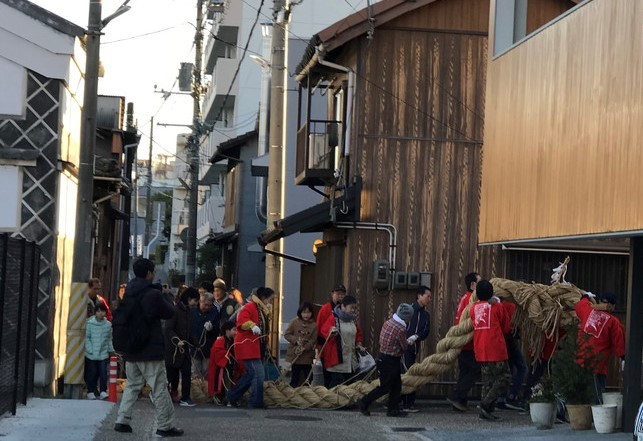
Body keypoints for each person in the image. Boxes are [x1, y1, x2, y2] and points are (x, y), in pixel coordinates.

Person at [114, 258, 183, 437]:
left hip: (131, 349)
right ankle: (165, 425)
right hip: (150, 350)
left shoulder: (128, 292)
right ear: (149, 273)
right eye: (153, 272)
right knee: (159, 387)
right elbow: (169, 312)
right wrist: (167, 295)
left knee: (133, 385)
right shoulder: (152, 295)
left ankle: (122, 420)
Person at [358, 303, 414, 418]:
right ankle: (364, 402)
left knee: (396, 385)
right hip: (391, 360)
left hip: (382, 357)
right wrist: (409, 342)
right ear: (407, 318)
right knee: (386, 387)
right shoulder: (401, 329)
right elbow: (404, 346)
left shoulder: (388, 322)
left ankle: (393, 409)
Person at [469, 280, 512, 421]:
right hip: (496, 348)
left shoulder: (473, 308)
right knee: (504, 378)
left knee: (487, 382)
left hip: (480, 349)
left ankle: (486, 412)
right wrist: (497, 302)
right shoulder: (497, 307)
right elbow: (506, 327)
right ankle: (485, 404)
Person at [227, 287, 275, 409]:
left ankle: (232, 397)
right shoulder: (250, 307)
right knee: (258, 374)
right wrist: (252, 326)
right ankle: (255, 401)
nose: (271, 302)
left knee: (251, 375)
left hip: (255, 346)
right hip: (248, 345)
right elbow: (242, 321)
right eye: (270, 299)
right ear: (263, 298)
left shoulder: (260, 309)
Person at [575, 291, 625, 403]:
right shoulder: (613, 322)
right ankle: (594, 419)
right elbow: (619, 344)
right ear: (612, 306)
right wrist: (623, 357)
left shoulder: (588, 311)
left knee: (578, 397)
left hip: (580, 362)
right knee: (596, 399)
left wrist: (585, 297)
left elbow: (579, 305)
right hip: (598, 366)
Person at [447, 272, 481, 412]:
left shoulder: (465, 298)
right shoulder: (471, 300)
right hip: (468, 343)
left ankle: (460, 401)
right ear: (473, 285)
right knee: (474, 371)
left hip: (462, 341)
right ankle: (456, 396)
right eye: (479, 282)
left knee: (464, 372)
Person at [319, 295, 365, 388]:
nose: (353, 310)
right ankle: (330, 401)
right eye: (351, 308)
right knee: (336, 383)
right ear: (343, 306)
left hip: (350, 358)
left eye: (354, 308)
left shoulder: (353, 319)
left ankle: (347, 402)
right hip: (337, 359)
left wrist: (359, 344)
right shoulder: (333, 318)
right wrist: (331, 332)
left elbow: (358, 333)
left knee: (350, 383)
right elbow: (324, 331)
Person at [163, 286, 198, 407]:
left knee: (186, 372)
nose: (195, 304)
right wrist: (176, 340)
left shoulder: (188, 311)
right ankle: (169, 394)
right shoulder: (175, 310)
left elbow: (188, 330)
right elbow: (168, 329)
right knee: (172, 374)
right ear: (189, 299)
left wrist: (195, 342)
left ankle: (186, 397)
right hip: (173, 349)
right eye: (195, 300)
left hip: (184, 348)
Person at [401, 285, 431, 412]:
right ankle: (401, 402)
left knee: (411, 374)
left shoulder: (426, 314)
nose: (429, 299)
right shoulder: (408, 309)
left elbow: (426, 331)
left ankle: (408, 403)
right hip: (402, 348)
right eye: (427, 296)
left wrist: (416, 337)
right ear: (419, 296)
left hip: (413, 348)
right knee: (403, 374)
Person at [316, 284, 347, 387]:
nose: (340, 296)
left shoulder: (346, 310)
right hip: (328, 348)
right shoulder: (325, 309)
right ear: (332, 294)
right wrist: (319, 350)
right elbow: (319, 330)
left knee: (340, 378)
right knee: (329, 378)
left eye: (343, 294)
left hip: (343, 349)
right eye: (338, 294)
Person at [85, 303, 114, 400]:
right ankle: (90, 390)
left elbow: (109, 338)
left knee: (103, 373)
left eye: (103, 311)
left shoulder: (108, 325)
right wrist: (89, 349)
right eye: (98, 311)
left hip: (103, 353)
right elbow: (87, 337)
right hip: (91, 354)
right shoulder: (89, 323)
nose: (101, 313)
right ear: (95, 312)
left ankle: (103, 391)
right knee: (92, 373)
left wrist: (111, 350)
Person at [284, 302, 318, 387]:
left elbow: (313, 340)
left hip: (307, 355)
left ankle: (305, 393)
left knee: (309, 377)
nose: (306, 315)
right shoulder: (294, 322)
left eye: (308, 312)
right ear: (300, 313)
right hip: (295, 354)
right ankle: (293, 395)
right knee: (295, 377)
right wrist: (296, 340)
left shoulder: (314, 325)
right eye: (304, 312)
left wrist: (305, 347)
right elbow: (287, 334)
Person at [208, 320, 241, 403]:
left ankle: (230, 397)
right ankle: (228, 398)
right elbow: (217, 352)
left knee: (230, 381)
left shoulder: (233, 340)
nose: (236, 332)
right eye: (234, 330)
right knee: (227, 382)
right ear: (227, 331)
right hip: (223, 367)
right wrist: (228, 354)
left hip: (230, 366)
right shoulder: (221, 340)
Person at [190, 291, 220, 378]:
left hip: (208, 348)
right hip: (194, 348)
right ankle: (197, 390)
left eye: (209, 305)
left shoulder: (214, 313)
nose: (207, 307)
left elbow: (218, 329)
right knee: (195, 373)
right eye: (205, 304)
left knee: (207, 373)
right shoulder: (192, 312)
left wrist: (212, 328)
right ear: (200, 301)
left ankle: (207, 390)